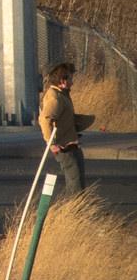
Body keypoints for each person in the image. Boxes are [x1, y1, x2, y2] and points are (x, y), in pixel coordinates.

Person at [37, 62, 93, 196]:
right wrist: (51, 143)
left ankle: (79, 205)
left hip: (71, 143)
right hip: (63, 147)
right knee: (75, 182)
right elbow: (45, 119)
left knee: (78, 180)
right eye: (70, 78)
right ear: (62, 80)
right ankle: (75, 206)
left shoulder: (62, 94)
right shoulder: (55, 98)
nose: (72, 82)